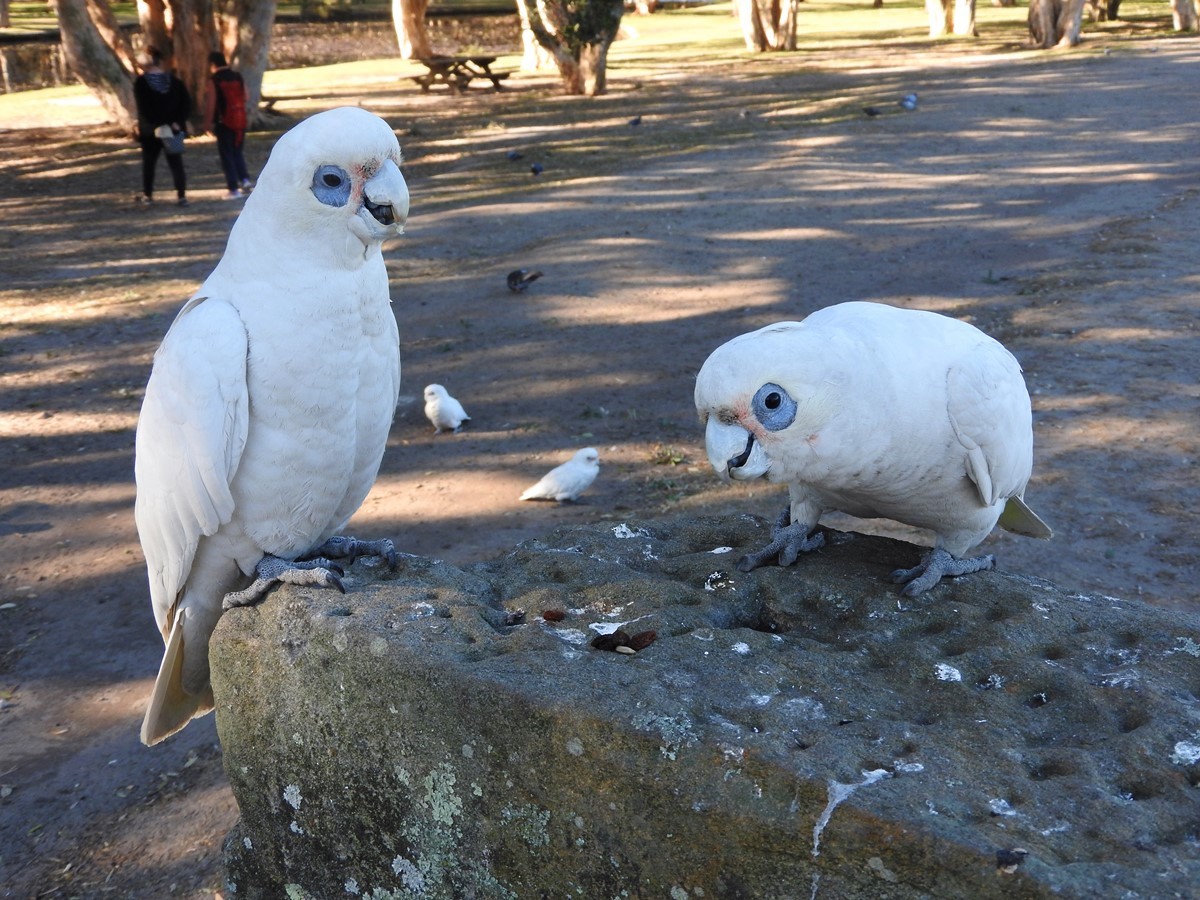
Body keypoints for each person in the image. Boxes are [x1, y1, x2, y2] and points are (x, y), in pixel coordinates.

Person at [132, 47, 191, 207]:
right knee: (176, 162)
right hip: (174, 128)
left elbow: (144, 108)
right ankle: (181, 195)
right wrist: (176, 121)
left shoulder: (141, 83)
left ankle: (148, 194)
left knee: (149, 163)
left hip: (151, 130)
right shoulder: (175, 82)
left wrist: (156, 122)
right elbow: (186, 104)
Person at [203, 51, 253, 200]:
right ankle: (245, 180)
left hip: (224, 122)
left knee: (227, 155)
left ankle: (233, 188)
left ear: (212, 65)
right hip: (240, 120)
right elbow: (246, 96)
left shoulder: (214, 80)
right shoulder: (237, 76)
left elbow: (211, 104)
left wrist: (207, 123)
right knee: (238, 151)